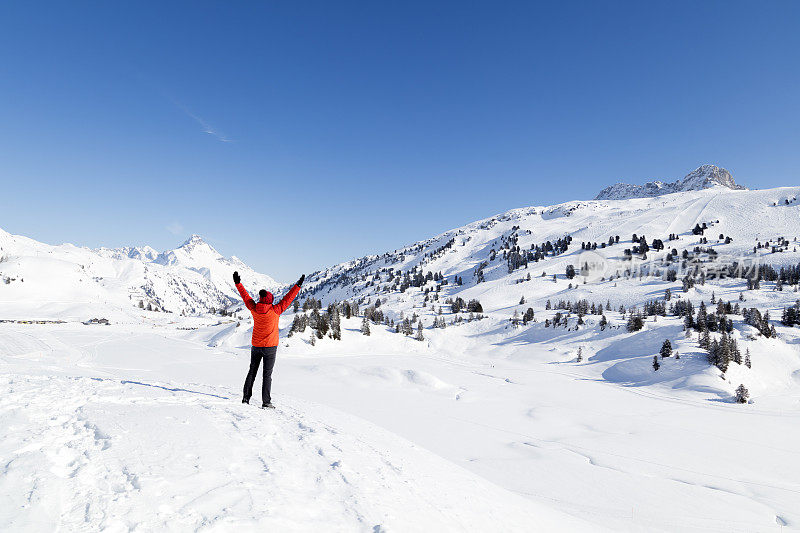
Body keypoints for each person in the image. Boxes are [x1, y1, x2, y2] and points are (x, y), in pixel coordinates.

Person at [233, 270, 304, 408]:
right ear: (271, 300)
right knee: (267, 375)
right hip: (270, 348)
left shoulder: (254, 308)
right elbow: (288, 298)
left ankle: (245, 398)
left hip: (256, 346)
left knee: (252, 372)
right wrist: (298, 285)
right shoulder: (276, 310)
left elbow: (245, 297)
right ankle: (266, 402)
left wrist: (238, 283)